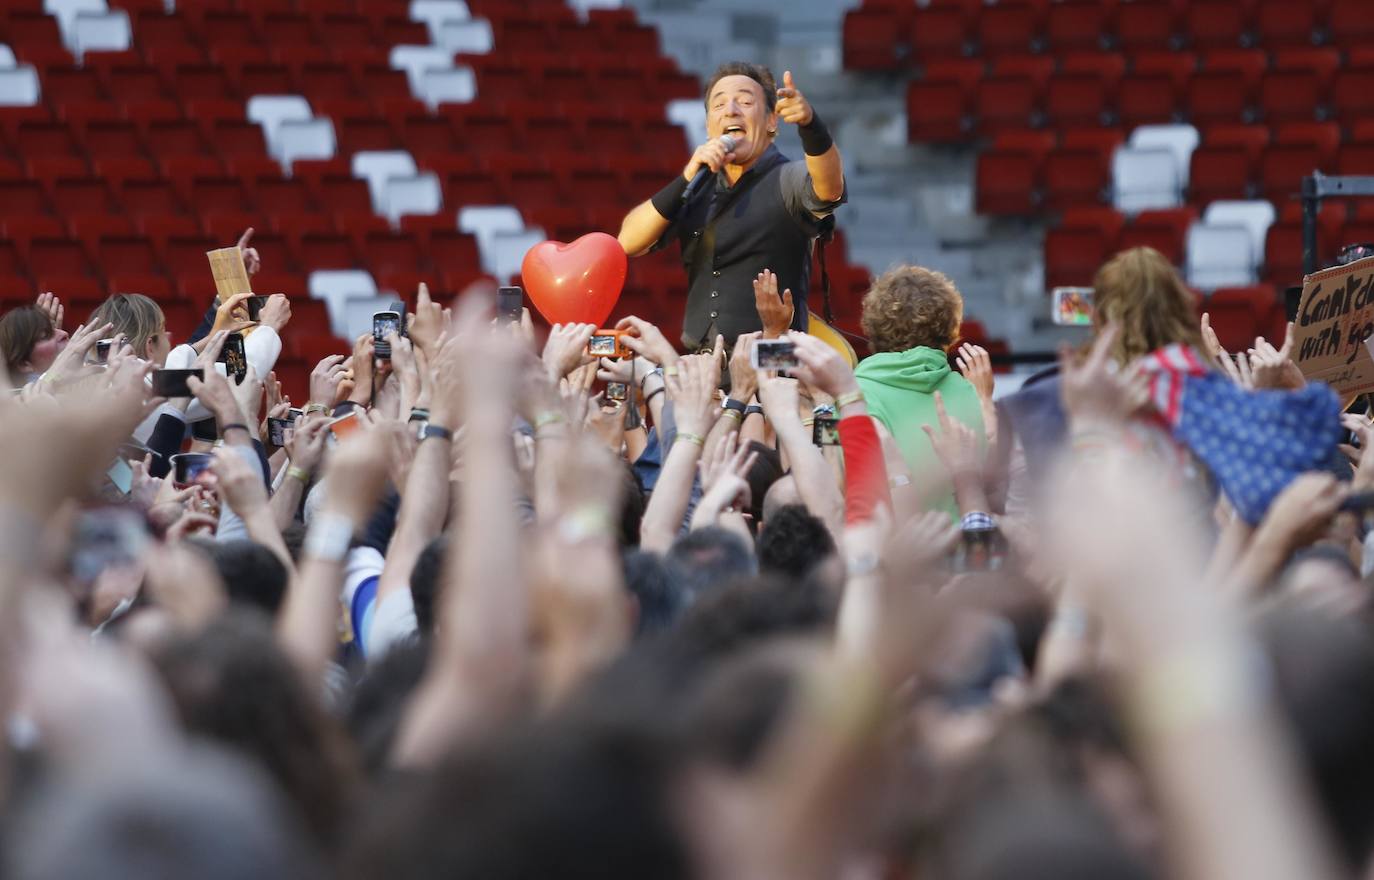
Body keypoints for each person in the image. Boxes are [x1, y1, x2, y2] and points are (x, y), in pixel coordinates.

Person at [617, 62, 847, 349]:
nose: (731, 110)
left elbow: (829, 187)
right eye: (719, 104)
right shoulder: (697, 186)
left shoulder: (787, 179)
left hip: (776, 359)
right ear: (708, 126)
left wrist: (811, 126)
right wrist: (687, 176)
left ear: (771, 122)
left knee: (770, 392)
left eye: (746, 101)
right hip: (705, 365)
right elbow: (627, 242)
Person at [853, 264, 986, 519]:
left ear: (872, 324)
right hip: (966, 550)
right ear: (950, 325)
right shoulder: (972, 393)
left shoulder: (853, 394)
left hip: (896, 554)